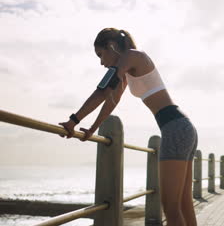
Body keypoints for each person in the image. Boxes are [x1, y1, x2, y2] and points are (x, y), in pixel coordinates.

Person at [59, 28, 198, 226]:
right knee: (183, 204)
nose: (101, 62)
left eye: (101, 55)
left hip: (175, 129)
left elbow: (102, 90)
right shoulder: (127, 68)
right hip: (182, 127)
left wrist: (74, 120)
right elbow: (111, 100)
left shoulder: (133, 57)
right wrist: (92, 128)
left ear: (111, 46)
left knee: (171, 207)